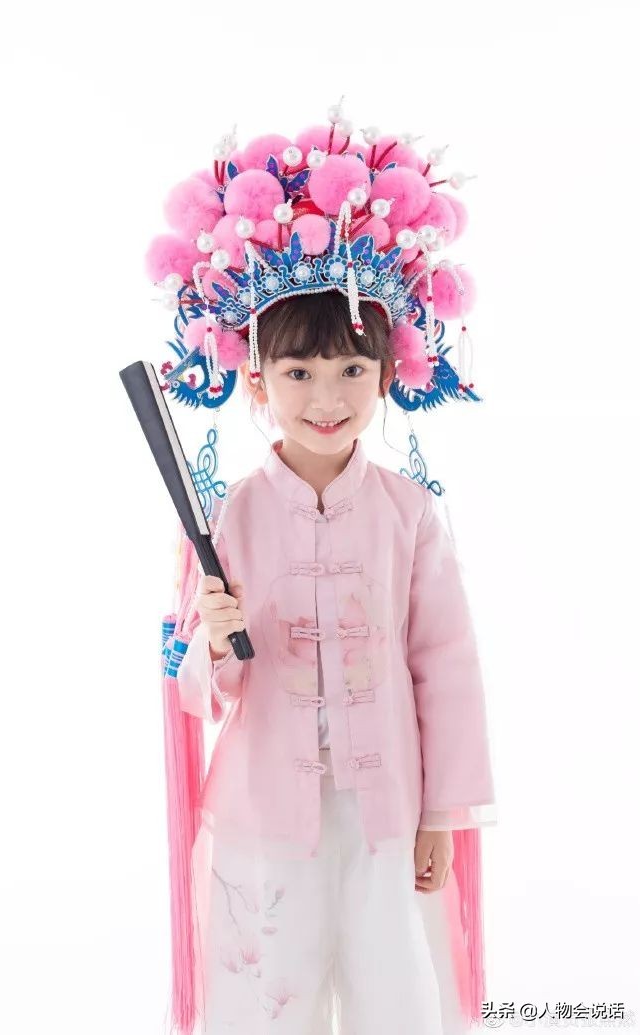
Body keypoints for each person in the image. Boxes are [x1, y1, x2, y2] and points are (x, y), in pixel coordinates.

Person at [149, 109, 496, 1034]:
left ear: (386, 373)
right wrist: (215, 640)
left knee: (394, 992)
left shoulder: (408, 511)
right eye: (298, 373)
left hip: (388, 809)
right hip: (265, 809)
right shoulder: (224, 514)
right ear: (256, 379)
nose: (327, 397)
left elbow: (447, 664)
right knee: (273, 996)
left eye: (350, 369)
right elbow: (198, 686)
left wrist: (442, 812)